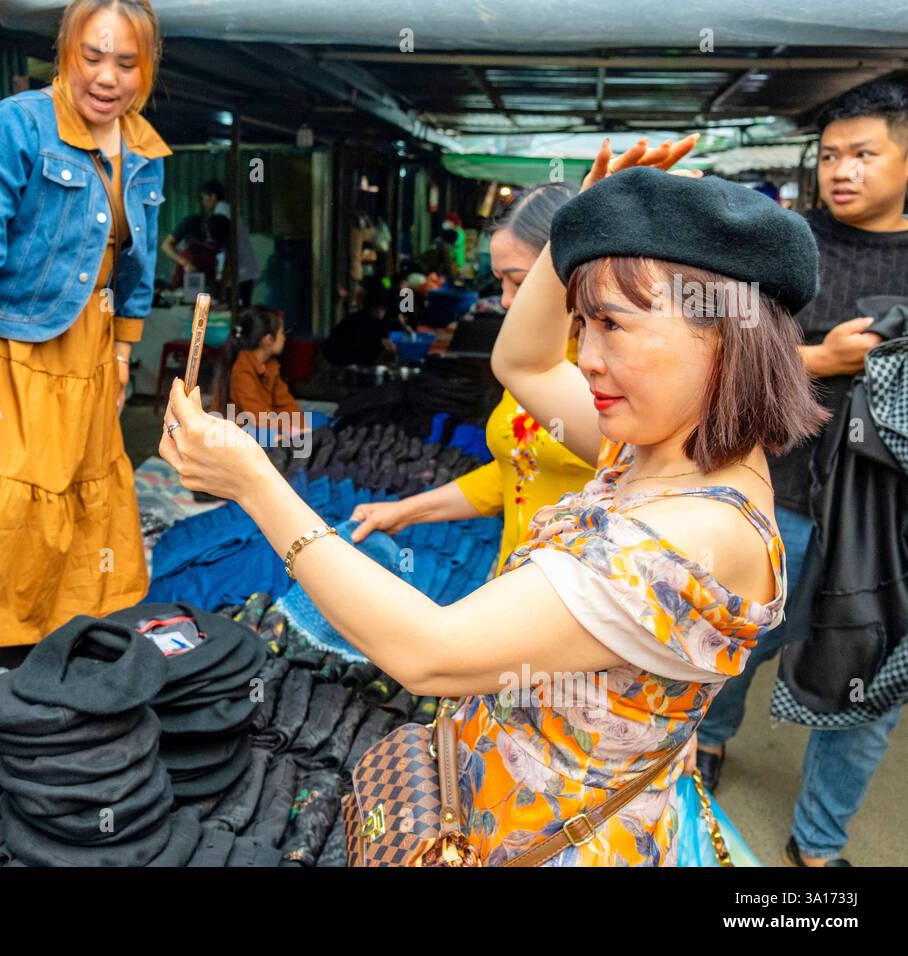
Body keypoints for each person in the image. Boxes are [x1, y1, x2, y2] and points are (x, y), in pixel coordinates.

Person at [159, 134, 829, 866]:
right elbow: (523, 360)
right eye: (584, 324)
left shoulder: (688, 537)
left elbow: (430, 654)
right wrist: (580, 226)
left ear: (724, 339)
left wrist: (259, 485)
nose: (590, 358)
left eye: (613, 325)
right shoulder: (664, 457)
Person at [0, 0, 170, 669]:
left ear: (146, 70)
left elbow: (139, 263)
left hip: (85, 347)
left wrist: (121, 355)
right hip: (4, 346)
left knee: (75, 500)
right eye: (93, 56)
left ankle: (48, 640)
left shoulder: (144, 151)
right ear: (65, 53)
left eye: (126, 63)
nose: (107, 77)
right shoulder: (11, 128)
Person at [696, 79, 908, 866]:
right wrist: (823, 358)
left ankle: (818, 845)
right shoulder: (784, 246)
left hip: (886, 516)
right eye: (829, 156)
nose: (841, 170)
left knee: (870, 674)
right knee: (737, 636)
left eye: (863, 153)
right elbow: (714, 351)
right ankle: (709, 739)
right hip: (777, 485)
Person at [349, 185, 595, 574]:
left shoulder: (608, 373)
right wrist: (404, 512)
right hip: (512, 588)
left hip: (575, 605)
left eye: (521, 282)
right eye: (500, 282)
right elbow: (515, 470)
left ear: (573, 270)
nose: (507, 300)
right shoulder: (527, 367)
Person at [227, 304, 304, 436]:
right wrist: (290, 429)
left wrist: (301, 426)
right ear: (268, 340)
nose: (284, 338)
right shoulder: (242, 371)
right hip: (248, 434)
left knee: (316, 422)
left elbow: (286, 403)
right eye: (282, 333)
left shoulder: (270, 366)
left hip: (271, 424)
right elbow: (258, 418)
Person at [160, 180, 226, 289]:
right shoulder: (191, 222)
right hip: (186, 274)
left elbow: (226, 257)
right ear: (205, 227)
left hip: (209, 277)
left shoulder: (223, 225)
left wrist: (221, 280)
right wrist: (184, 262)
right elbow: (166, 245)